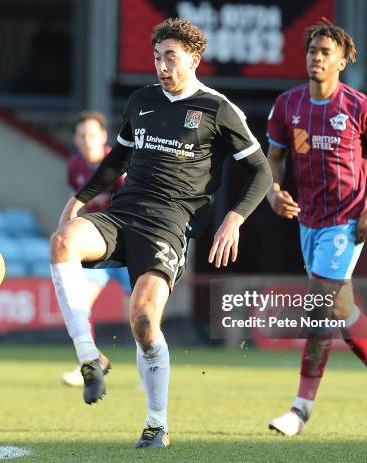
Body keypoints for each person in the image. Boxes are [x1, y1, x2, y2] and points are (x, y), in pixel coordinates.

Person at [50, 18, 272, 448]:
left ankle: (156, 423)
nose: (162, 66)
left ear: (194, 58)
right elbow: (117, 160)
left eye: (171, 57)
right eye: (157, 57)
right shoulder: (142, 101)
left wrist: (235, 217)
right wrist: (77, 200)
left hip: (170, 226)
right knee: (63, 241)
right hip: (123, 213)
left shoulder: (217, 108)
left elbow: (261, 171)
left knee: (144, 321)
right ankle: (88, 356)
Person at [265, 20, 367, 436]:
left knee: (321, 306)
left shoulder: (361, 108)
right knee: (342, 309)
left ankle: (300, 409)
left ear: (343, 61)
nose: (317, 57)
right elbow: (274, 160)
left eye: (327, 52)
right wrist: (274, 193)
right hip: (308, 220)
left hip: (347, 218)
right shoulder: (287, 106)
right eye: (313, 50)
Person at [60, 111, 132, 387]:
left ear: (103, 136)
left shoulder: (118, 162)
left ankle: (148, 368)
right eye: (81, 135)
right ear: (75, 139)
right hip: (96, 249)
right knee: (79, 304)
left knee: (138, 314)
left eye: (92, 134)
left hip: (124, 245)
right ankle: (89, 363)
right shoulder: (75, 166)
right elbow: (77, 201)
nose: (87, 140)